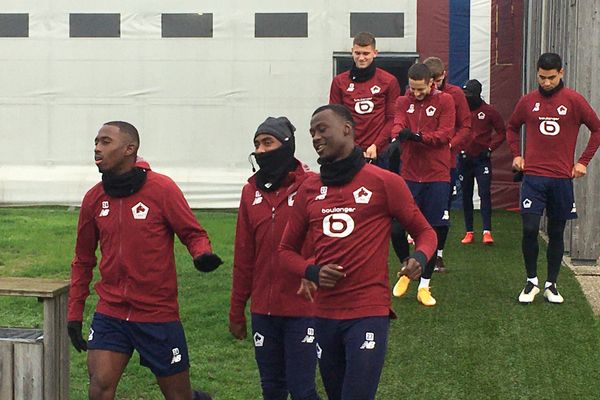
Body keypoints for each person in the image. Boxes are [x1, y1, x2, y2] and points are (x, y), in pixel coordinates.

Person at [279, 104, 437, 400]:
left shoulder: (384, 182)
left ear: (347, 129)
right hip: (324, 314)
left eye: (322, 129)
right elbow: (285, 251)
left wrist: (419, 258)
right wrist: (311, 271)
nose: (315, 136)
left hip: (367, 311)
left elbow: (425, 233)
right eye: (312, 132)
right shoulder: (309, 189)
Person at [67, 121, 222, 400]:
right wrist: (74, 313)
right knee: (99, 388)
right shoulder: (94, 199)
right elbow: (82, 259)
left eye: (105, 142)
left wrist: (202, 254)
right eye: (95, 142)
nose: (96, 149)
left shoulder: (161, 189)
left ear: (130, 148)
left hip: (156, 313)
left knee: (179, 397)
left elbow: (193, 232)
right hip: (111, 311)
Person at [229, 116, 320, 400]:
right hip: (264, 310)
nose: (261, 150)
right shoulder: (250, 191)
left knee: (302, 390)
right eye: (257, 144)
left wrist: (312, 271)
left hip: (303, 307)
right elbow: (244, 254)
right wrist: (237, 308)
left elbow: (327, 242)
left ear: (287, 144)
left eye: (268, 142)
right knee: (272, 388)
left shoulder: (313, 186)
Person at [506, 53, 600, 304]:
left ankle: (552, 284)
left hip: (561, 179)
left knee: (557, 233)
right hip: (533, 178)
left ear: (561, 73)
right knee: (529, 229)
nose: (545, 82)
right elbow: (512, 127)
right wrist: (517, 155)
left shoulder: (574, 100)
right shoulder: (528, 101)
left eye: (550, 77)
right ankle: (531, 282)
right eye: (541, 77)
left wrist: (583, 162)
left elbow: (597, 128)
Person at [391, 63, 455, 306]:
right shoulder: (402, 102)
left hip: (437, 175)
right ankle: (406, 268)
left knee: (432, 229)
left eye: (420, 89)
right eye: (412, 88)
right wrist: (399, 134)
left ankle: (425, 286)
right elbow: (397, 124)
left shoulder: (445, 101)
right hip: (408, 174)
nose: (416, 94)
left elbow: (445, 134)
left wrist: (417, 137)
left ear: (432, 83)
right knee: (396, 228)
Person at [423, 56, 472, 273]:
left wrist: (451, 144)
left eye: (436, 80)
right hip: (419, 163)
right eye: (429, 81)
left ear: (444, 75)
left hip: (446, 163)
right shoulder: (415, 92)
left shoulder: (455, 94)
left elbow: (466, 126)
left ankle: (439, 255)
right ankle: (420, 253)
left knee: (442, 210)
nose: (432, 85)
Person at [329, 31, 401, 167]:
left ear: (375, 53)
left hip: (379, 152)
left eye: (366, 53)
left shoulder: (389, 81)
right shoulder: (339, 82)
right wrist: (351, 146)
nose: (361, 58)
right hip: (349, 151)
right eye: (357, 53)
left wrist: (376, 145)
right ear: (352, 52)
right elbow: (334, 119)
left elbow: (392, 118)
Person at [458, 79, 506, 245]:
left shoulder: (489, 111)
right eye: (464, 94)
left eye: (469, 94)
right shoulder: (461, 111)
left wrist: (490, 148)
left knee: (484, 193)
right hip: (464, 159)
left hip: (482, 159)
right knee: (466, 194)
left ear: (478, 94)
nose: (466, 97)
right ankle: (469, 231)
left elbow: (501, 132)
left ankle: (487, 231)